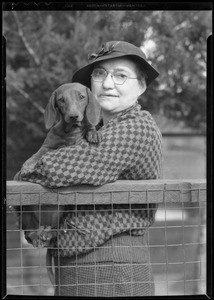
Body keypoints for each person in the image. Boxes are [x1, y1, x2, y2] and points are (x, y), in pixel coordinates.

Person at [19, 40, 162, 297]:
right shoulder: (95, 132)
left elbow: (58, 169)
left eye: (120, 75)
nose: (107, 83)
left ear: (141, 86)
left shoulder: (137, 127)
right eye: (99, 74)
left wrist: (25, 173)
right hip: (74, 264)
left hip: (111, 267)